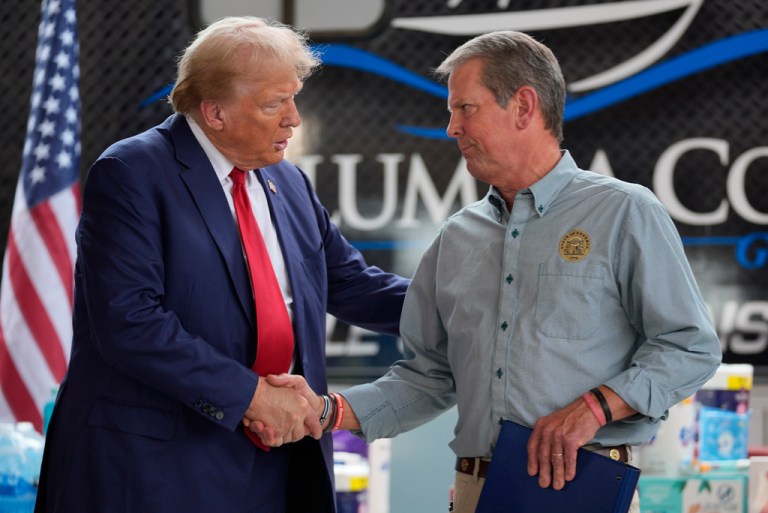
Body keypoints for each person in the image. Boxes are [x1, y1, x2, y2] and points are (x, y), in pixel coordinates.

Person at [270, 30, 722, 513]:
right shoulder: (455, 238)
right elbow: (430, 377)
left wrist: (596, 407)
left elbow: (689, 346)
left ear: (524, 107)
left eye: (465, 108)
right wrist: (327, 410)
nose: (451, 128)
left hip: (578, 487)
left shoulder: (623, 212)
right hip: (476, 492)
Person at [34, 16, 408, 513]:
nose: (293, 118)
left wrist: (470, 306)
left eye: (294, 97)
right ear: (214, 112)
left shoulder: (288, 182)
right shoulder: (131, 173)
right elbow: (130, 322)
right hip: (155, 470)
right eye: (275, 103)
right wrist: (253, 397)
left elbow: (350, 284)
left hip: (279, 468)